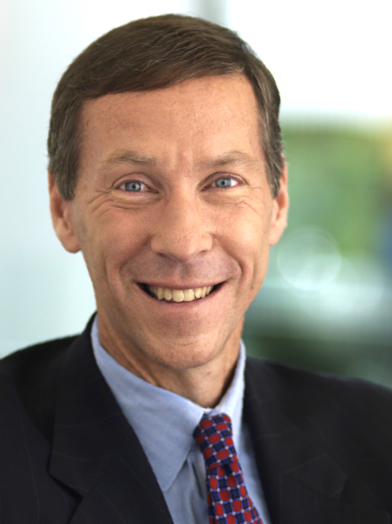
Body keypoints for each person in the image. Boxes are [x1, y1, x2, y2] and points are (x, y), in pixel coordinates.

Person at [1, 14, 392, 524]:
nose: (184, 243)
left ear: (277, 202)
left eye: (223, 181)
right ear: (62, 210)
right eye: (134, 186)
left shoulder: (379, 433)